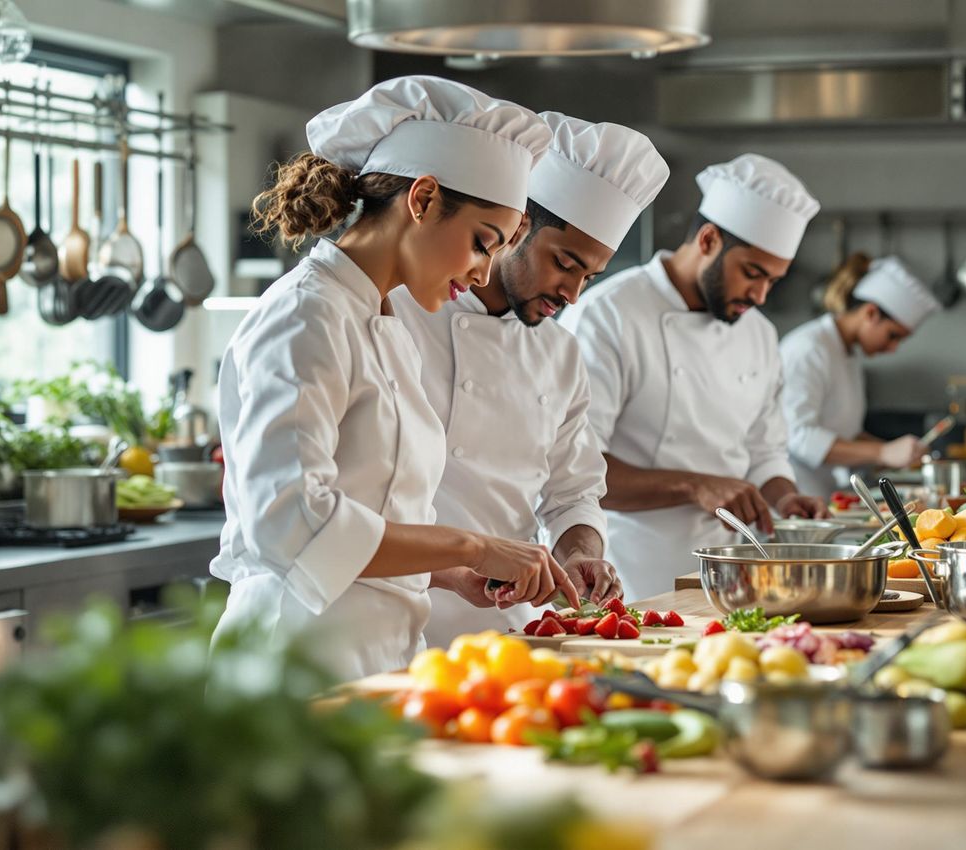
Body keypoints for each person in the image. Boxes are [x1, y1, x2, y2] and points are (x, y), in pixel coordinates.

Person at [209, 76, 579, 681]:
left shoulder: (384, 321)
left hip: (377, 662)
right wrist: (472, 546)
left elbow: (369, 512)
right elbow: (292, 523)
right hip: (292, 661)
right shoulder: (306, 314)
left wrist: (452, 575)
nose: (484, 274)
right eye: (483, 243)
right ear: (424, 199)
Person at [392, 111, 669, 646]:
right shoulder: (398, 312)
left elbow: (573, 492)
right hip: (401, 619)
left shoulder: (561, 354)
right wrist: (463, 562)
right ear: (517, 229)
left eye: (589, 275)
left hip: (509, 633)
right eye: (565, 263)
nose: (573, 294)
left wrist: (582, 553)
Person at [562, 153, 827, 601]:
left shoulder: (759, 333)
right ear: (707, 240)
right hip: (634, 571)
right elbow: (578, 470)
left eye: (773, 282)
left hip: (730, 571)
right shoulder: (609, 315)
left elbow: (765, 450)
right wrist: (697, 485)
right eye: (753, 273)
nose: (760, 295)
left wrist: (785, 497)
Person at [779, 253, 941, 499]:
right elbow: (797, 435)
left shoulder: (848, 354)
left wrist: (891, 452)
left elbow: (845, 433)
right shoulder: (808, 349)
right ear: (871, 313)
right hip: (794, 496)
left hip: (827, 495)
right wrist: (882, 452)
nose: (893, 348)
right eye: (892, 335)